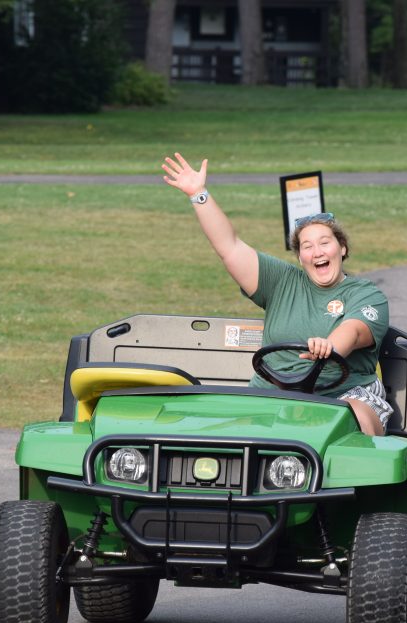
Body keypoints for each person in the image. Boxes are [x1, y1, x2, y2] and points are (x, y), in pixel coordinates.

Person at [161, 152, 393, 436]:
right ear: (300, 258)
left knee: (351, 418)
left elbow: (354, 332)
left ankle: (356, 463)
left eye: (325, 242)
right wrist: (199, 194)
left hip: (342, 394)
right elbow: (229, 247)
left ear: (342, 248)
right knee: (216, 432)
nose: (317, 252)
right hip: (274, 394)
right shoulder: (283, 281)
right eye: (307, 246)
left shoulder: (365, 294)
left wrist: (328, 347)